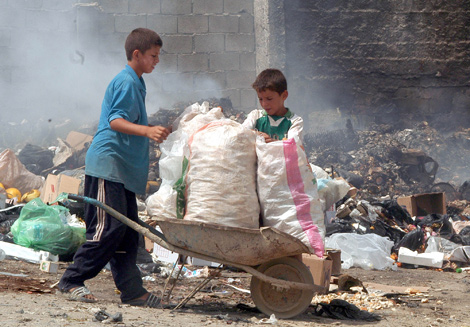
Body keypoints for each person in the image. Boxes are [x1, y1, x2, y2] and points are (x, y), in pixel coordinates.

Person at [58, 28, 170, 307]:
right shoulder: (127, 82)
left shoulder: (137, 81)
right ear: (137, 54)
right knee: (107, 229)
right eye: (153, 56)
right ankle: (71, 280)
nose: (157, 61)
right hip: (109, 165)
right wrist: (147, 131)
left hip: (121, 171)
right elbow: (115, 121)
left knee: (128, 232)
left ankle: (132, 291)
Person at [242, 68, 303, 143]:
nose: (264, 104)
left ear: (284, 95)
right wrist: (256, 134)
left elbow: (293, 146)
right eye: (260, 99)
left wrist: (271, 142)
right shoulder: (256, 116)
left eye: (269, 99)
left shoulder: (295, 121)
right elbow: (241, 133)